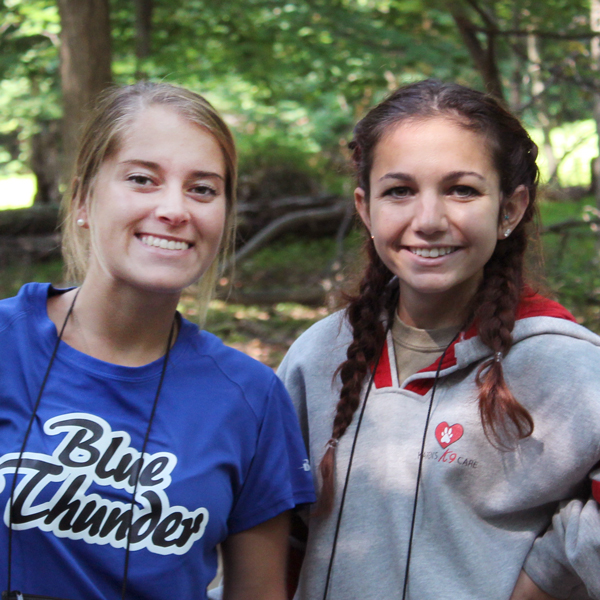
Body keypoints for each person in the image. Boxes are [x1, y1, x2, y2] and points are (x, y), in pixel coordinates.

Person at [277, 79, 600, 600]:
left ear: (510, 209)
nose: (428, 221)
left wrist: (545, 577)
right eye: (399, 190)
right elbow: (274, 529)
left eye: (462, 190)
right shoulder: (319, 356)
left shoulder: (567, 367)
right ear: (365, 206)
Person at [0, 81, 315, 600]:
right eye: (143, 179)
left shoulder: (250, 399)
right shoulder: (8, 345)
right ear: (82, 198)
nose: (175, 209)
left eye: (202, 189)